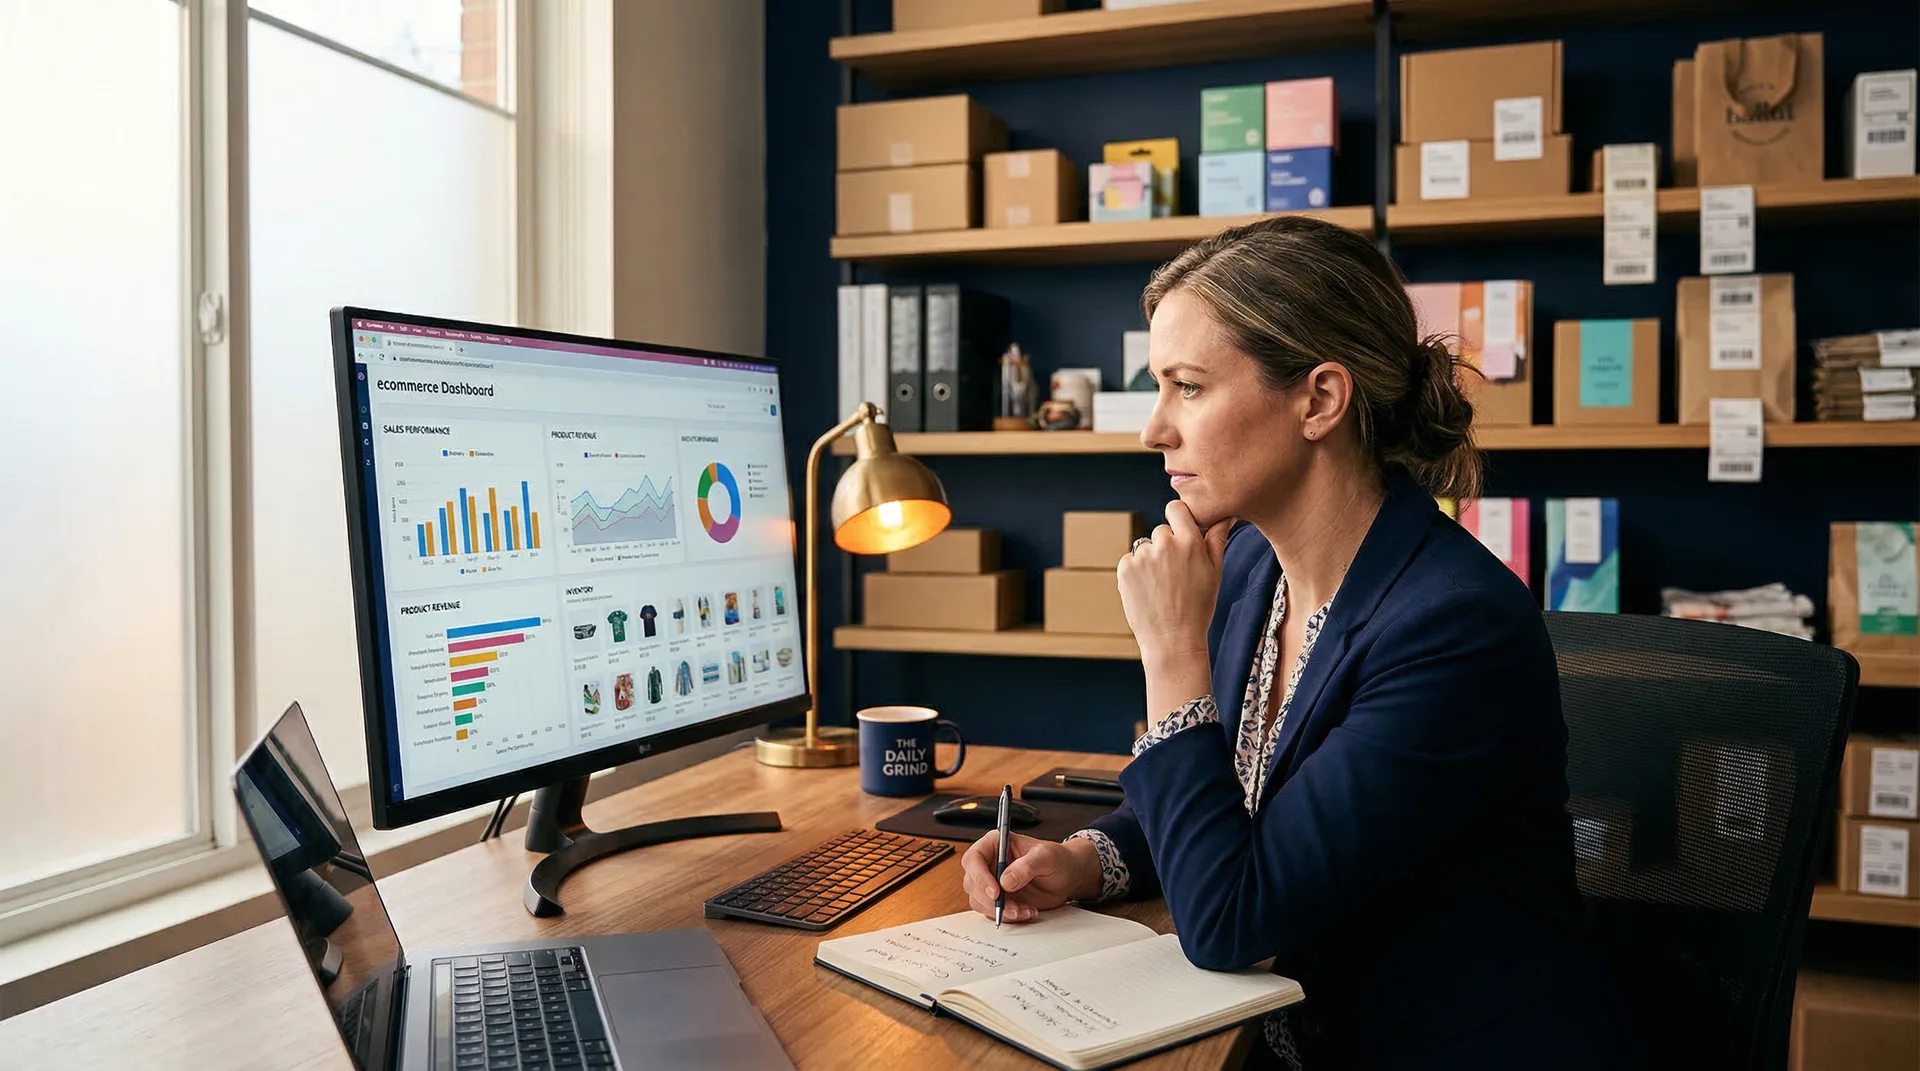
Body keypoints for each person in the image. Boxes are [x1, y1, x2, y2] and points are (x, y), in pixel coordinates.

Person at [958, 216, 1637, 1070]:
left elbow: (1231, 918)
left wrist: (1172, 656)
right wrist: (1086, 858)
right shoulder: (1251, 563)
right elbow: (1234, 802)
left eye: (1189, 387)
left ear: (1319, 398)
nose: (1153, 428)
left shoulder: (1454, 628)